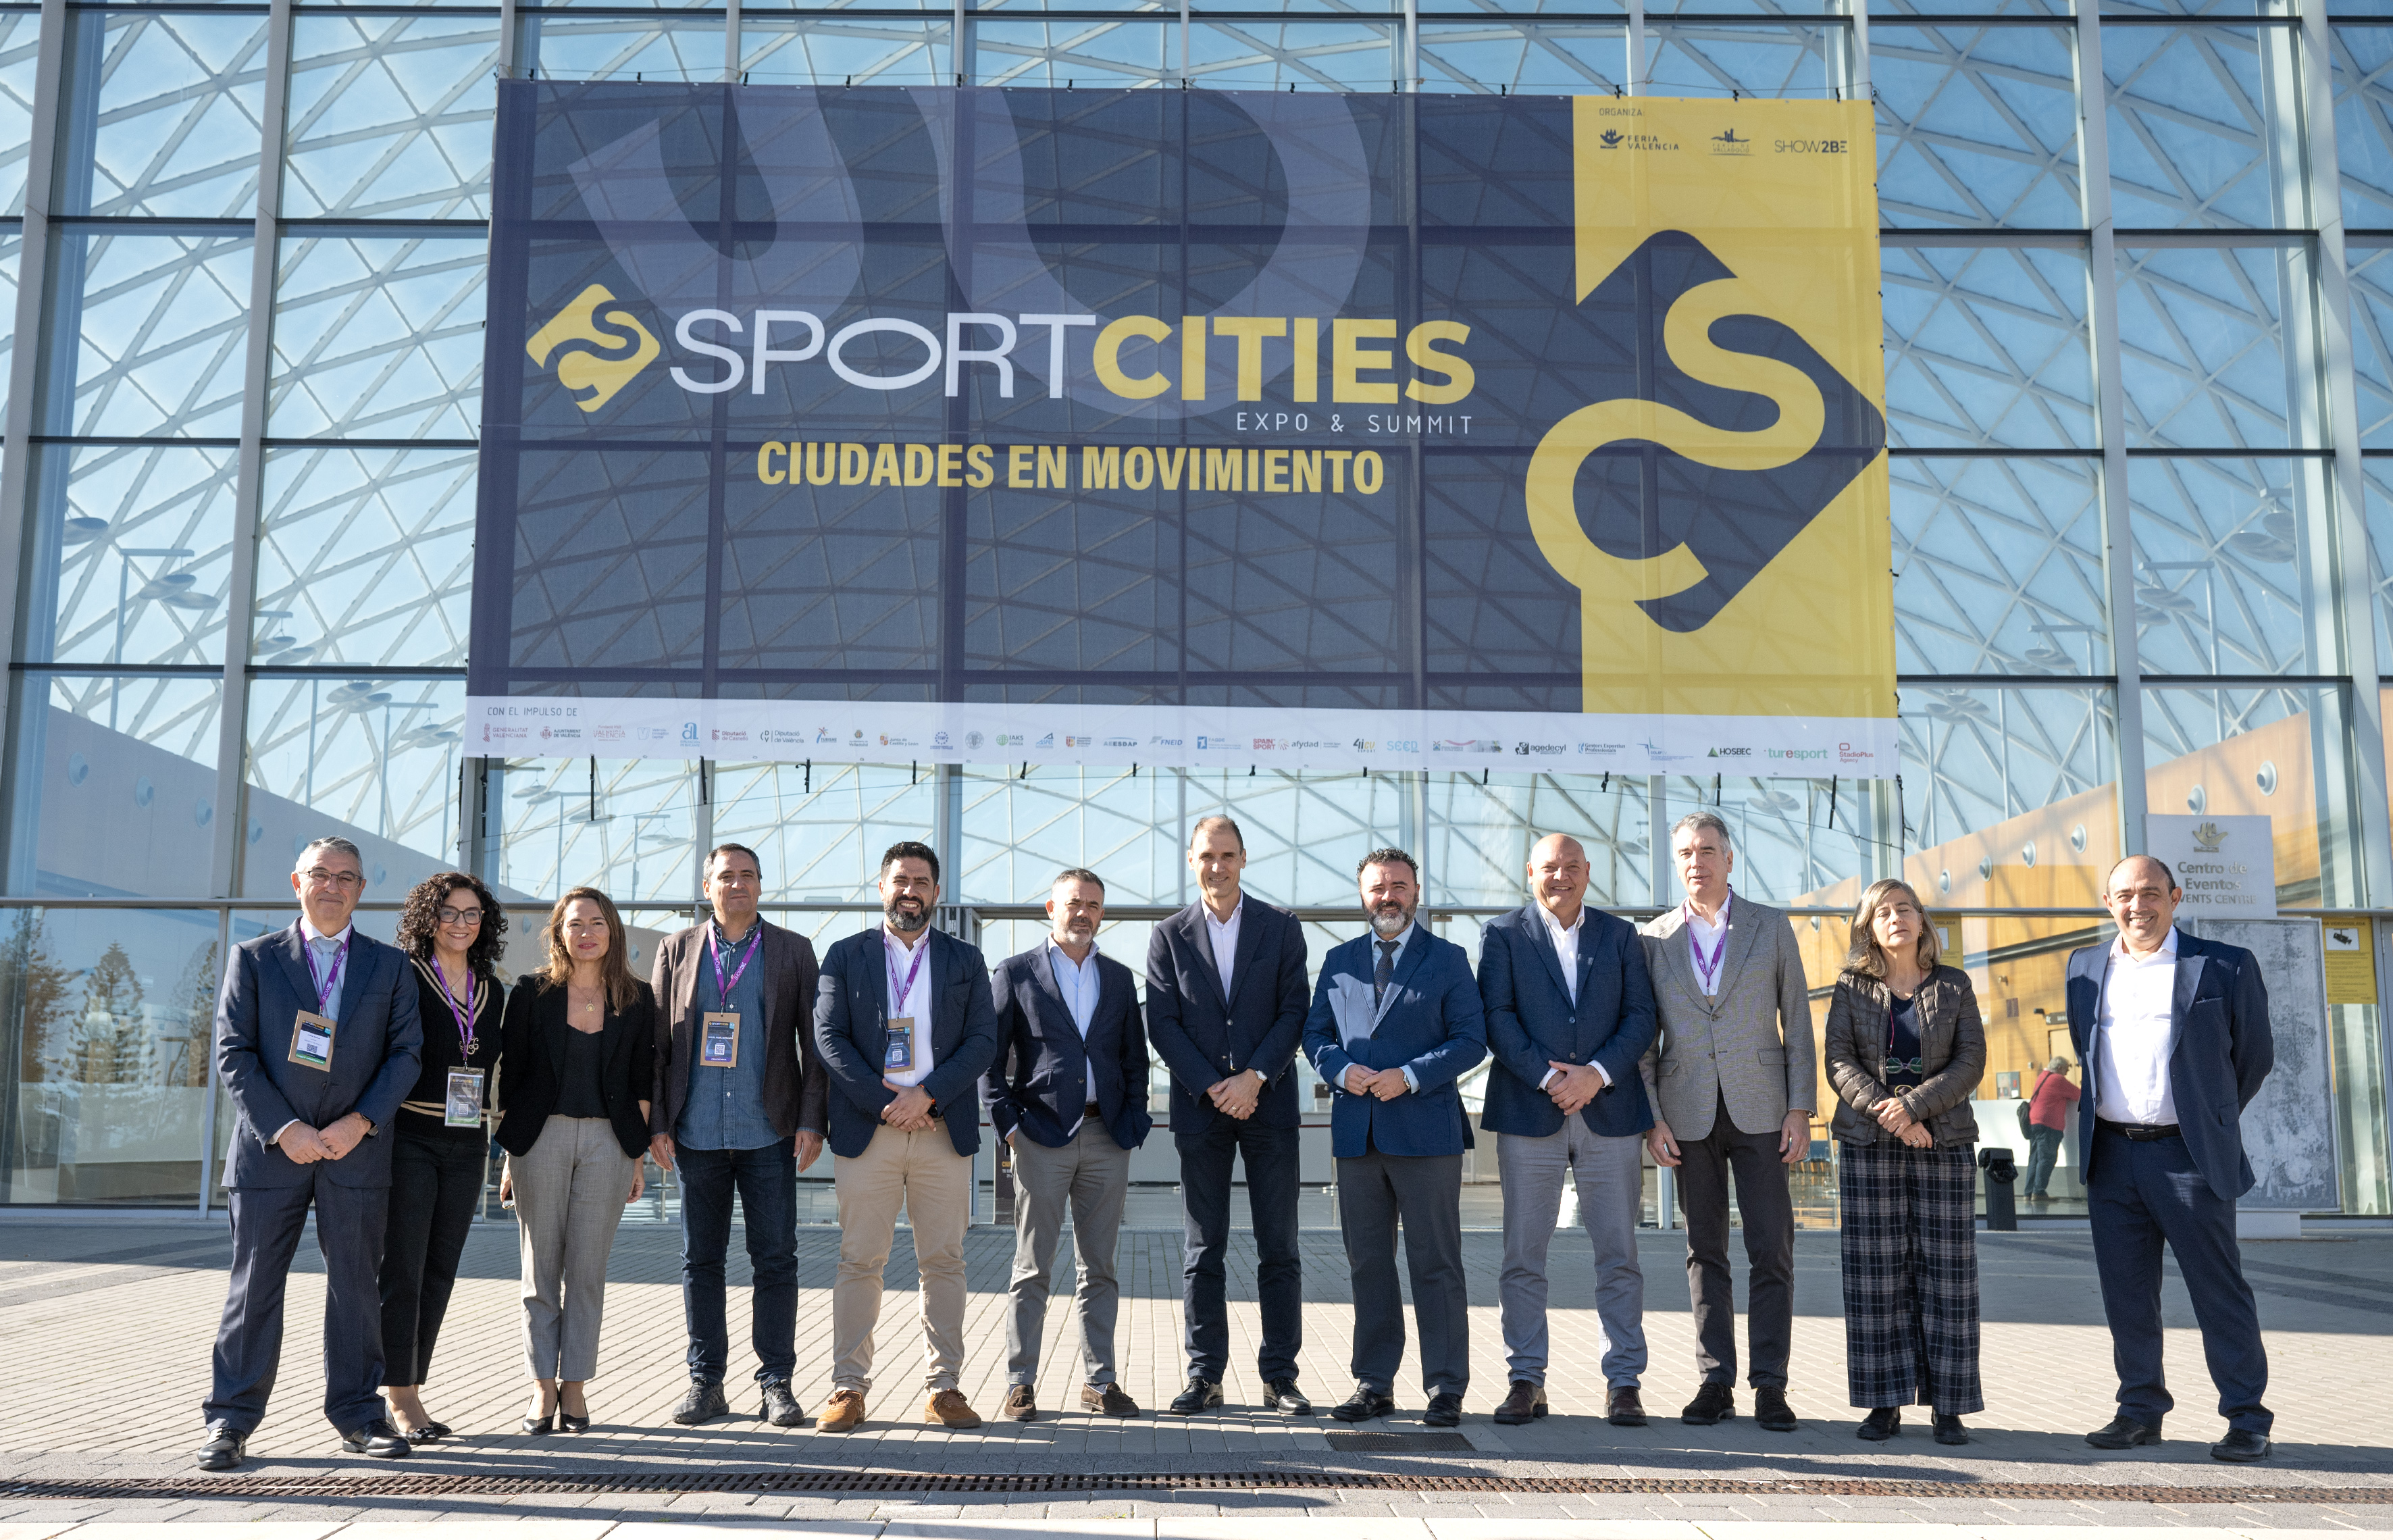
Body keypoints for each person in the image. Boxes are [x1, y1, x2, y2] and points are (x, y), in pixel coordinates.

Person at [198, 836, 424, 1470]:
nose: (332, 886)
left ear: (361, 890)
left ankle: (359, 1416)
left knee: (356, 1289)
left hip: (356, 1153)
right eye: (320, 874)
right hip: (271, 1152)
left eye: (346, 877)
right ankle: (230, 1419)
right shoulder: (254, 959)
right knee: (253, 1289)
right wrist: (284, 1128)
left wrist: (362, 1122)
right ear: (297, 882)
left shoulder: (390, 966)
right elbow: (233, 1051)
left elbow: (407, 1053)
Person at [2065, 855, 2275, 1462]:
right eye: (2125, 895)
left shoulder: (2224, 965)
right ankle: (2139, 1411)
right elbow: (2085, 1050)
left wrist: (2206, 1117)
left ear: (2175, 897)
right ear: (2108, 903)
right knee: (2126, 1293)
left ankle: (2246, 1417)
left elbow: (2253, 1057)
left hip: (2187, 1157)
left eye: (2151, 893)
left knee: (2217, 1290)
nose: (2138, 906)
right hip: (2111, 1156)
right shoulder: (2083, 967)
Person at [813, 840, 1002, 1432]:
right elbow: (828, 1038)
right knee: (859, 1260)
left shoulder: (965, 959)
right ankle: (848, 1387)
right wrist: (888, 1102)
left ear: (936, 893)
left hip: (941, 1129)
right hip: (869, 1130)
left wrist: (928, 1095)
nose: (910, 891)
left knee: (943, 1261)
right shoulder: (845, 955)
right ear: (881, 887)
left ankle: (944, 1388)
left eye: (921, 882)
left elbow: (982, 1040)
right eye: (900, 880)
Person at [1639, 811, 1816, 1433]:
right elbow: (1643, 1042)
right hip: (1685, 1112)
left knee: (1771, 1247)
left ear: (1729, 859)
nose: (1697, 862)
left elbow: (1797, 1021)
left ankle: (1770, 1385)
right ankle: (1715, 1380)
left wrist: (1800, 1107)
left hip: (1762, 1108)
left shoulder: (1770, 926)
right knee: (1703, 1251)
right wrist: (1652, 1118)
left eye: (1708, 850)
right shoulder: (1653, 939)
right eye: (1686, 852)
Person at [1476, 832, 1657, 1427]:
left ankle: (1623, 1382)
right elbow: (1496, 1018)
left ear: (1588, 871)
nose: (1561, 876)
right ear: (1530, 872)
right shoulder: (1502, 935)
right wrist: (1549, 1078)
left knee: (1619, 1255)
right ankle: (1525, 1379)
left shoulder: (1620, 935)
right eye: (1550, 867)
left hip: (1610, 1112)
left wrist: (1595, 1076)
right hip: (1530, 1112)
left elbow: (1641, 1017)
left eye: (1572, 866)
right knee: (1523, 1256)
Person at [647, 844, 829, 1429]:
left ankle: (777, 1382)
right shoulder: (676, 949)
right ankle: (706, 1383)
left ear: (760, 884)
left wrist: (811, 1120)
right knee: (700, 1261)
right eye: (726, 876)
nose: (737, 884)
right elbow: (656, 1045)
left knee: (775, 1260)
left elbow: (814, 1046)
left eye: (748, 875)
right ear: (707, 886)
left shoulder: (793, 950)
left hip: (768, 1132)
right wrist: (657, 1123)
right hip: (695, 1132)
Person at [1303, 848, 1486, 1427]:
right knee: (1368, 1264)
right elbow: (1315, 1035)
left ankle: (1445, 1387)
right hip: (1358, 1134)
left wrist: (1408, 1075)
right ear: (1363, 896)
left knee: (1436, 1263)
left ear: (1416, 893)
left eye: (1399, 887)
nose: (1388, 897)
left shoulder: (1448, 959)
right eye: (1378, 888)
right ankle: (1373, 1383)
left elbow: (1470, 1040)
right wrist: (1339, 1069)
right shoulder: (1338, 961)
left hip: (1426, 1132)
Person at [1146, 814, 1314, 1416]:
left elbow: (1295, 1010)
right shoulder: (1168, 935)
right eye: (1206, 856)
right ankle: (1204, 1376)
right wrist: (1215, 1086)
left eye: (1226, 855)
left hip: (1268, 1104)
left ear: (1243, 858)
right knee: (1203, 1250)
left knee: (1279, 1248)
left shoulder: (1281, 927)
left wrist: (1254, 1077)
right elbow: (1162, 1022)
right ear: (1191, 861)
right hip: (1201, 1108)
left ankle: (1280, 1378)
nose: (1216, 866)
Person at [984, 868, 1154, 1421]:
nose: (1083, 913)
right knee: (1032, 1266)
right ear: (1051, 908)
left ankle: (1099, 1382)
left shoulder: (1118, 977)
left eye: (1093, 905)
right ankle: (1020, 1382)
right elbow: (989, 1060)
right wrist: (1009, 1126)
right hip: (1040, 1137)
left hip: (1106, 1137)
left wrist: (1133, 1120)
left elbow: (1133, 1057)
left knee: (1099, 1267)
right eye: (1074, 903)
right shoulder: (1015, 972)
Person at [1823, 878, 1986, 1446]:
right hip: (1869, 1144)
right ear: (1869, 928)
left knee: (1948, 1278)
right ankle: (1882, 1403)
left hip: (1943, 1142)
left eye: (1905, 909)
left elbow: (1970, 1062)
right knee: (1875, 1279)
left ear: (1921, 920)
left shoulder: (1954, 984)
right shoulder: (1851, 987)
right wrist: (1890, 1115)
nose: (1895, 918)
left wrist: (1914, 1108)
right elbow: (1838, 1062)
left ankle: (1949, 1406)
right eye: (1883, 912)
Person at [494, 888, 654, 1434]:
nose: (586, 933)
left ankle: (576, 1387)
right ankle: (542, 1387)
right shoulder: (531, 992)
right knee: (539, 1271)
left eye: (597, 923)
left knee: (587, 1272)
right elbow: (511, 1078)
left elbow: (642, 1083)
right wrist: (511, 1154)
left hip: (610, 1143)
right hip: (541, 1139)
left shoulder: (637, 997)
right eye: (575, 924)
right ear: (559, 933)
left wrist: (635, 1157)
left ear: (613, 931)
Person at [380, 871, 507, 1444]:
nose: (461, 923)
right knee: (403, 1267)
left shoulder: (492, 988)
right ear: (428, 918)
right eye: (449, 912)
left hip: (468, 1140)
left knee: (440, 1268)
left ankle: (413, 1382)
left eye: (472, 913)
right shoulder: (404, 976)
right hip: (410, 1137)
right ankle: (398, 1394)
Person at [2024, 1056, 2079, 1201]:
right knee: (2047, 1158)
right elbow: (2079, 1094)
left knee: (2035, 1158)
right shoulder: (2058, 1080)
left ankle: (2028, 1193)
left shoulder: (2042, 1076)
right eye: (2066, 1070)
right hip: (2048, 1124)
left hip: (2034, 1122)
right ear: (2060, 1068)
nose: (2067, 1073)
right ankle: (2039, 1192)